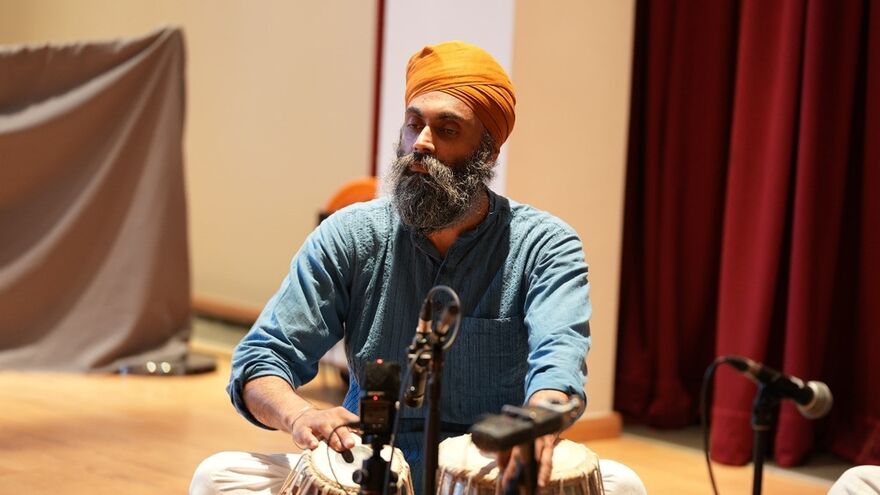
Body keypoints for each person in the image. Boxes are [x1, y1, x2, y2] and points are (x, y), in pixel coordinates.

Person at [190, 40, 646, 495]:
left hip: (486, 472)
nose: (421, 144)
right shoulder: (352, 233)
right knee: (218, 476)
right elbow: (259, 359)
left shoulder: (544, 244)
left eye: (447, 130)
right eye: (414, 125)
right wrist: (301, 415)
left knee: (623, 485)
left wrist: (538, 424)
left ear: (486, 154)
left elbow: (558, 361)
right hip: (369, 463)